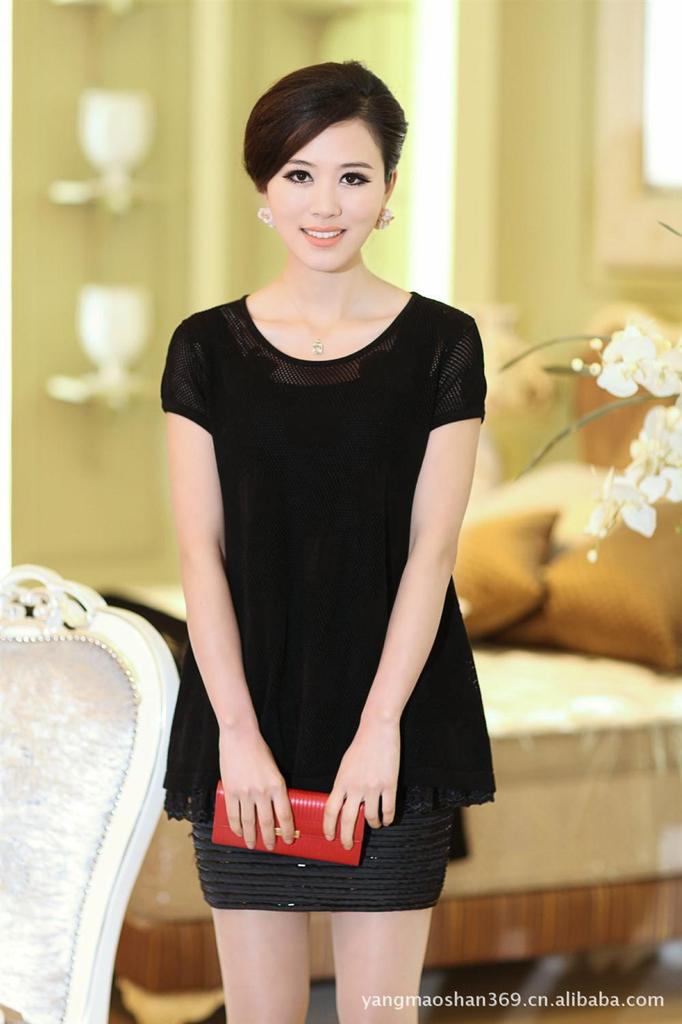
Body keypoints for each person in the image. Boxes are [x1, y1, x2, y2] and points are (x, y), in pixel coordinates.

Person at [160, 59, 495, 1024]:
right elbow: (199, 554)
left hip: (394, 720)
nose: (325, 203)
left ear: (388, 193)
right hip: (245, 711)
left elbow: (432, 553)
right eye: (299, 174)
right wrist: (237, 739)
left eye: (353, 176)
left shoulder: (444, 345)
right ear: (264, 190)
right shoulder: (204, 349)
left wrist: (380, 730)